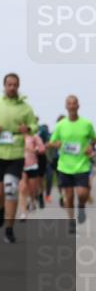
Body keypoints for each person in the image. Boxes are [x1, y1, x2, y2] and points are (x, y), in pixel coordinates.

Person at [0, 73, 38, 244]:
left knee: (11, 189)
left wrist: (28, 128)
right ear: (4, 85)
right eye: (9, 84)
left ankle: (9, 229)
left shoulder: (25, 107)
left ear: (18, 86)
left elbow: (34, 125)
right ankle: (0, 209)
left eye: (15, 84)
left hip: (15, 153)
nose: (12, 87)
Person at [50, 95, 96, 235]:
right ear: (66, 106)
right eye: (69, 103)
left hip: (82, 165)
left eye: (74, 103)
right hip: (65, 166)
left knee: (82, 193)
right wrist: (55, 144)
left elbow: (93, 139)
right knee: (68, 197)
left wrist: (91, 147)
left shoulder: (86, 124)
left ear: (78, 105)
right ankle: (71, 221)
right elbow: (52, 142)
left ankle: (81, 205)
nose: (72, 106)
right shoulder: (60, 125)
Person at [18, 132, 46, 221]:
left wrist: (34, 149)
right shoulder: (16, 136)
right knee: (22, 188)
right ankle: (23, 212)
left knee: (32, 189)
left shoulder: (34, 137)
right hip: (20, 165)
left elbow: (42, 149)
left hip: (32, 165)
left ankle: (32, 200)